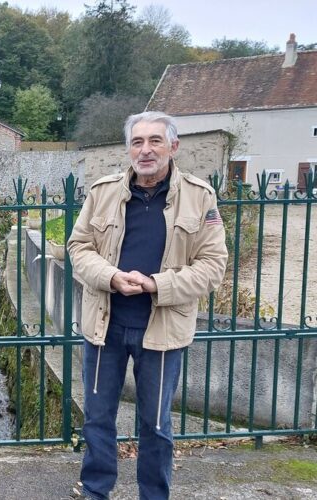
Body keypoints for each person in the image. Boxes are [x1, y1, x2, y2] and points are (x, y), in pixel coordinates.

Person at [67, 111, 227, 499]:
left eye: (155, 141)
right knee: (98, 419)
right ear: (128, 149)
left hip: (162, 331)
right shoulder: (102, 191)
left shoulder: (200, 196)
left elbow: (212, 266)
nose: (145, 150)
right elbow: (78, 247)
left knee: (155, 424)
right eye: (137, 142)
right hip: (104, 326)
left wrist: (157, 284)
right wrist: (110, 277)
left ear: (173, 146)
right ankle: (95, 491)